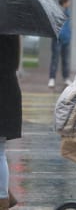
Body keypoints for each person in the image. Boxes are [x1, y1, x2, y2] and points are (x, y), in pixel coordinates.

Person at [0, 35, 21, 209]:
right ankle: (5, 193)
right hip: (8, 90)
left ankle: (2, 198)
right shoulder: (11, 30)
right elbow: (14, 63)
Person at [48, 0, 72, 88]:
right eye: (68, 1)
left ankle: (66, 78)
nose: (69, 3)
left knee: (65, 60)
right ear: (64, 2)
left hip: (66, 39)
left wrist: (69, 36)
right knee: (55, 59)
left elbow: (67, 26)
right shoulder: (57, 11)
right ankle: (52, 78)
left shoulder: (68, 11)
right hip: (57, 40)